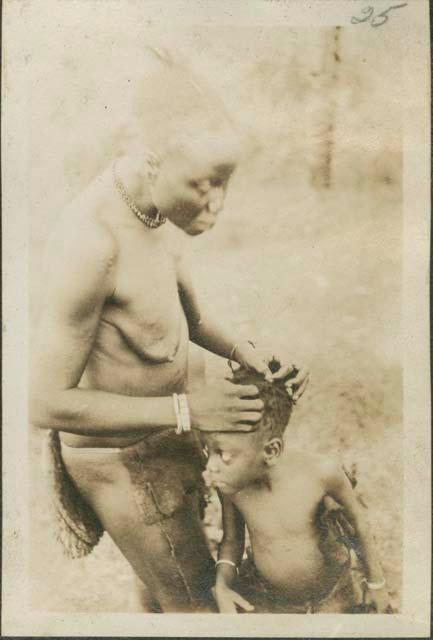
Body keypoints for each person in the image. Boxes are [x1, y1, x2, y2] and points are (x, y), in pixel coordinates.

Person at [30, 52, 309, 613]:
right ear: (152, 160)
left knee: (165, 598)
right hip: (122, 461)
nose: (217, 205)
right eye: (204, 184)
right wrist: (188, 411)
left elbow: (193, 321)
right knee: (199, 607)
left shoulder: (156, 211)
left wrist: (249, 354)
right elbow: (42, 402)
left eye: (226, 184)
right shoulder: (91, 242)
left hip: (174, 438)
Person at [206, 369, 392, 614]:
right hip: (271, 601)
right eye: (208, 451)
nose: (210, 466)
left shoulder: (321, 473)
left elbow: (358, 521)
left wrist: (376, 584)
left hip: (335, 597)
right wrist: (222, 584)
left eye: (225, 455)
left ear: (271, 451)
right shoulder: (233, 487)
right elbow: (232, 539)